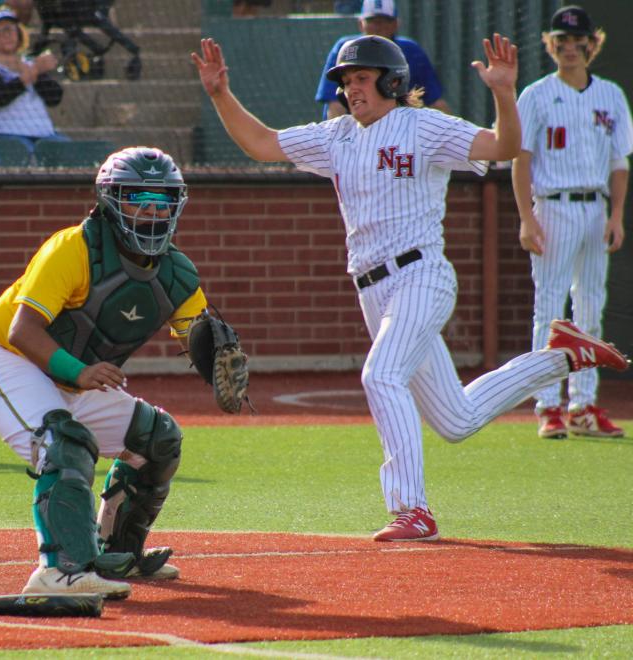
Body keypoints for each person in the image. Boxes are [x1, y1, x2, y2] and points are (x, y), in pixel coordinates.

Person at [192, 34, 630, 541]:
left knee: (380, 376)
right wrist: (220, 93)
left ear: (392, 81)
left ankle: (411, 509)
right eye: (345, 79)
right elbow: (261, 143)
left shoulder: (422, 125)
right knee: (456, 419)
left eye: (360, 77)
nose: (350, 87)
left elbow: (504, 147)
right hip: (372, 290)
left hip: (421, 275)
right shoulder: (337, 136)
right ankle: (561, 357)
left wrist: (505, 95)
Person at [0, 146, 204, 597]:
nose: (152, 211)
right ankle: (59, 570)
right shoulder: (73, 246)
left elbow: (198, 340)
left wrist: (221, 362)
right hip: (2, 359)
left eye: (163, 200)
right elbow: (23, 330)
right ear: (111, 200)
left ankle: (115, 551)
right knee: (65, 441)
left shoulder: (177, 273)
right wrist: (80, 374)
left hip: (74, 377)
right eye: (139, 198)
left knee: (159, 438)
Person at [512, 6, 632, 440]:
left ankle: (583, 403)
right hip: (554, 204)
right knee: (549, 307)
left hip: (594, 205)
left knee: (591, 308)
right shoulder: (537, 94)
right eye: (560, 42)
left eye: (577, 42)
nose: (568, 49)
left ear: (591, 45)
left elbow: (619, 161)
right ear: (551, 45)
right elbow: (520, 159)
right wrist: (527, 218)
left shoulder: (611, 95)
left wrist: (616, 214)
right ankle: (548, 405)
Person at [315, 0, 449, 121]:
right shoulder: (347, 49)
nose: (378, 27)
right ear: (361, 24)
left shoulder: (411, 51)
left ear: (396, 24)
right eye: (372, 21)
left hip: (399, 127)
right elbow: (335, 105)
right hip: (354, 129)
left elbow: (436, 102)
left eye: (384, 21)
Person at [0, 8, 67, 154]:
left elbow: (54, 97)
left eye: (10, 30)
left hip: (44, 135)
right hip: (3, 134)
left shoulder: (29, 62)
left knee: (70, 151)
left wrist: (35, 72)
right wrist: (33, 72)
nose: (6, 35)